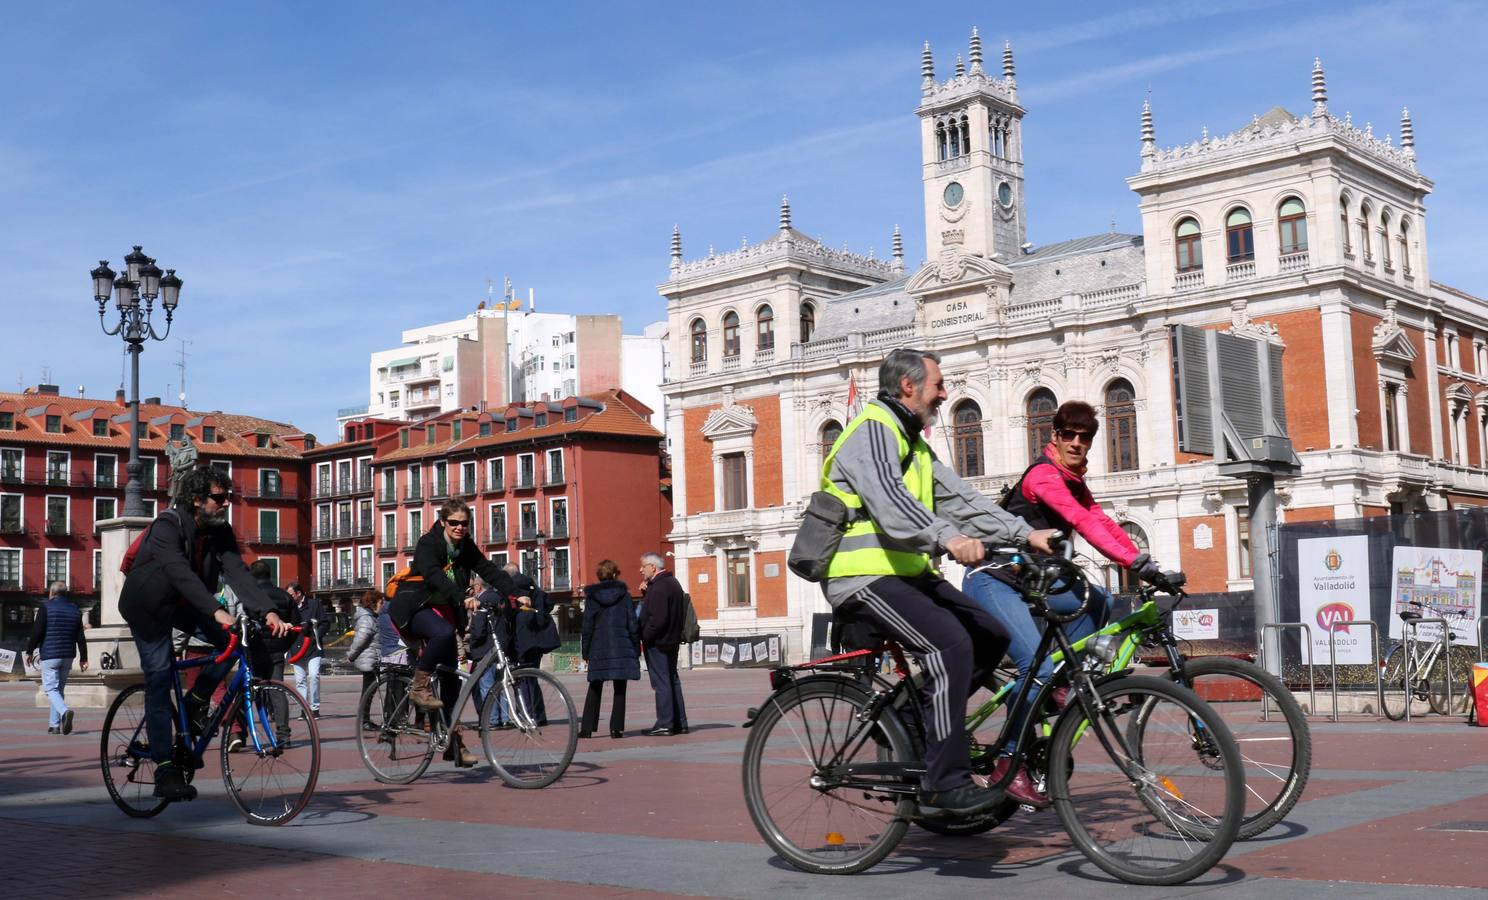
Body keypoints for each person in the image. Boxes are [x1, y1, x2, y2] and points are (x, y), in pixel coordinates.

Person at [820, 348, 1058, 819]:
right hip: (861, 576)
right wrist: (947, 537)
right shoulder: (871, 430)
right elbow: (890, 502)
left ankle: (913, 719)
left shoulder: (914, 445)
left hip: (904, 574)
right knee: (950, 645)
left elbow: (964, 501)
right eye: (938, 384)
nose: (945, 393)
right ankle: (943, 782)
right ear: (908, 386)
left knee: (992, 635)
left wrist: (1026, 533)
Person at [962, 399, 1166, 805]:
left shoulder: (1074, 480)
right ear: (1053, 436)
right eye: (1068, 434)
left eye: (1084, 436)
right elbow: (1084, 522)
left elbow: (1103, 520)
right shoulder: (1044, 476)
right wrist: (1133, 562)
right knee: (1034, 668)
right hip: (994, 580)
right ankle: (1007, 761)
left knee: (1100, 600)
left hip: (1034, 583)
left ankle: (1063, 685)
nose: (1076, 442)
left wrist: (1148, 563)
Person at [119, 467, 290, 801]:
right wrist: (216, 611)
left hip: (187, 603)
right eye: (218, 498)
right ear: (196, 499)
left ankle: (197, 700)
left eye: (228, 497)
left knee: (238, 642)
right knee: (158, 679)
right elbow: (179, 573)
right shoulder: (168, 526)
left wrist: (267, 610)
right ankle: (165, 770)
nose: (225, 503)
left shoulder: (219, 530)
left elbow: (238, 573)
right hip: (148, 606)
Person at [390, 498, 514, 767]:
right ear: (444, 522)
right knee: (444, 633)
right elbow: (433, 575)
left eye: (464, 524)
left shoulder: (464, 546)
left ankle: (453, 745)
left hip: (445, 611)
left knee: (451, 682)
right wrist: (461, 595)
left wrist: (517, 594)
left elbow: (488, 569)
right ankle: (419, 687)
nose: (460, 528)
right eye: (454, 523)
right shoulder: (428, 543)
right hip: (415, 608)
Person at [227, 560, 297, 752]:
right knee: (277, 690)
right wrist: (283, 645)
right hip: (276, 651)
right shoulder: (285, 596)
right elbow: (295, 625)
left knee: (244, 692)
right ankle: (284, 735)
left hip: (254, 650)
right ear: (270, 575)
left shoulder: (250, 597)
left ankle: (238, 733)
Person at [579, 560, 640, 739]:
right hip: (622, 645)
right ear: (615, 574)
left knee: (595, 686)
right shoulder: (625, 596)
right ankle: (616, 729)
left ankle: (587, 729)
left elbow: (587, 626)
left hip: (598, 646)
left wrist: (586, 652)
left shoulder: (592, 597)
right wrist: (636, 648)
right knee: (620, 688)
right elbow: (632, 623)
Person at [26, 582, 88, 735]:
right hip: (68, 655)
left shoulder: (46, 607)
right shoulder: (74, 609)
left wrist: (29, 651)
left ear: (51, 593)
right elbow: (80, 636)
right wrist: (84, 658)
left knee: (50, 688)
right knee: (58, 690)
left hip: (50, 654)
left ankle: (65, 711)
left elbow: (37, 631)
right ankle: (54, 725)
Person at [638, 552, 689, 736]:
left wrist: (645, 635)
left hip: (659, 642)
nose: (641, 570)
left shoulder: (658, 587)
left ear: (653, 567)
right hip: (672, 639)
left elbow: (658, 619)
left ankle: (665, 723)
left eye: (643, 566)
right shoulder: (672, 583)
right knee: (672, 679)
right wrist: (646, 592)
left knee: (662, 682)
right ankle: (680, 722)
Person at [504, 563, 560, 724]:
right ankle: (539, 716)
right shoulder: (533, 586)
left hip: (523, 639)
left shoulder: (513, 588)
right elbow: (549, 603)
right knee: (532, 678)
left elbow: (508, 611)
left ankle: (526, 715)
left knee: (523, 679)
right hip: (538, 639)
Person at [286, 582, 329, 719]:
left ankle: (314, 707)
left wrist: (316, 636)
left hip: (313, 647)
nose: (289, 597)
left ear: (298, 593)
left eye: (291, 594)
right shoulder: (289, 608)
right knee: (300, 680)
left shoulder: (314, 604)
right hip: (296, 647)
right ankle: (304, 709)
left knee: (314, 675)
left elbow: (325, 623)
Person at [345, 590, 383, 703]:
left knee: (369, 691)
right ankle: (364, 718)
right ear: (373, 603)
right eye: (381, 602)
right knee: (368, 691)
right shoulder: (367, 618)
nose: (382, 605)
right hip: (369, 658)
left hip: (372, 657)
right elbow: (360, 639)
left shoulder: (372, 617)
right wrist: (351, 655)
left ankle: (364, 718)